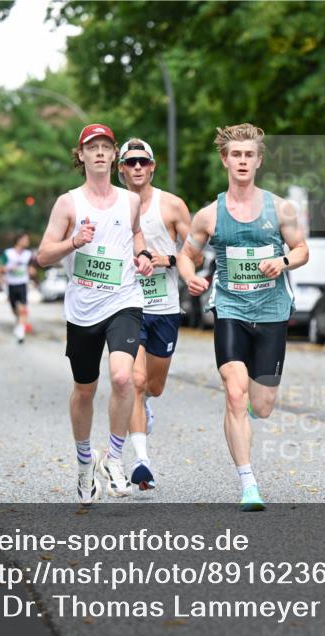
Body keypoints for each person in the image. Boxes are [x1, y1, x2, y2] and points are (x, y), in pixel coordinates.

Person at [177, 123, 309, 511]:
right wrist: (190, 278)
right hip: (230, 308)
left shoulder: (280, 208)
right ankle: (248, 484)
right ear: (225, 160)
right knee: (234, 393)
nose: (242, 161)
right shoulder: (209, 215)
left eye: (249, 155)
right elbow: (188, 255)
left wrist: (282, 261)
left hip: (271, 310)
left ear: (259, 160)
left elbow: (301, 249)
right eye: (236, 154)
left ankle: (251, 407)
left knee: (262, 405)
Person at [37, 123, 155, 505]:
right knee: (85, 390)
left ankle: (115, 458)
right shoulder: (68, 203)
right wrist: (74, 241)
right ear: (82, 155)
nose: (100, 153)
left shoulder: (130, 200)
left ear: (113, 153)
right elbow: (42, 256)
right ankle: (85, 462)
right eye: (93, 147)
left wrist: (142, 256)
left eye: (106, 146)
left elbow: (136, 234)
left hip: (124, 299)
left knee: (123, 378)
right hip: (83, 309)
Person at [116, 138, 193, 491]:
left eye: (142, 162)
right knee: (133, 381)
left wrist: (171, 259)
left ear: (152, 167)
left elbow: (198, 253)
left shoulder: (173, 206)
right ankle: (142, 461)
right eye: (129, 162)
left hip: (164, 308)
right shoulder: (111, 207)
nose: (136, 168)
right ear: (120, 169)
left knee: (154, 386)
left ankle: (145, 407)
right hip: (127, 307)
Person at [1, 233, 35, 344]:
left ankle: (20, 332)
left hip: (22, 284)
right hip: (11, 284)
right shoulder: (8, 253)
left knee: (22, 308)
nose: (27, 241)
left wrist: (32, 271)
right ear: (19, 240)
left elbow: (32, 267)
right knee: (14, 310)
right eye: (25, 239)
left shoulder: (28, 254)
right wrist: (9, 268)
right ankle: (19, 323)